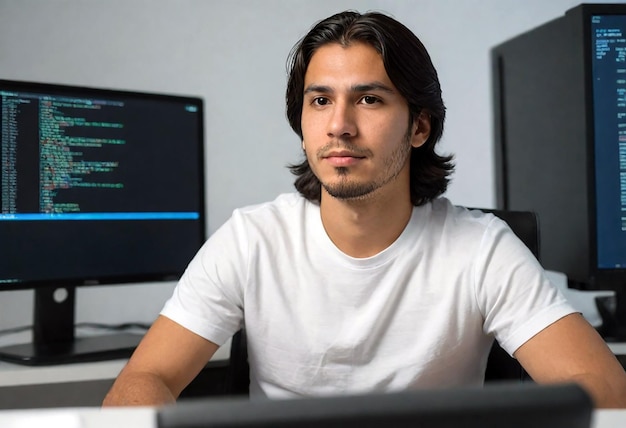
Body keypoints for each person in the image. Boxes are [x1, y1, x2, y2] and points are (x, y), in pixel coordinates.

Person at [103, 10, 626, 408]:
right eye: (320, 100)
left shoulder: (481, 248)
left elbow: (604, 392)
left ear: (419, 126)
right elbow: (145, 380)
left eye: (370, 99)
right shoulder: (251, 240)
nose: (339, 126)